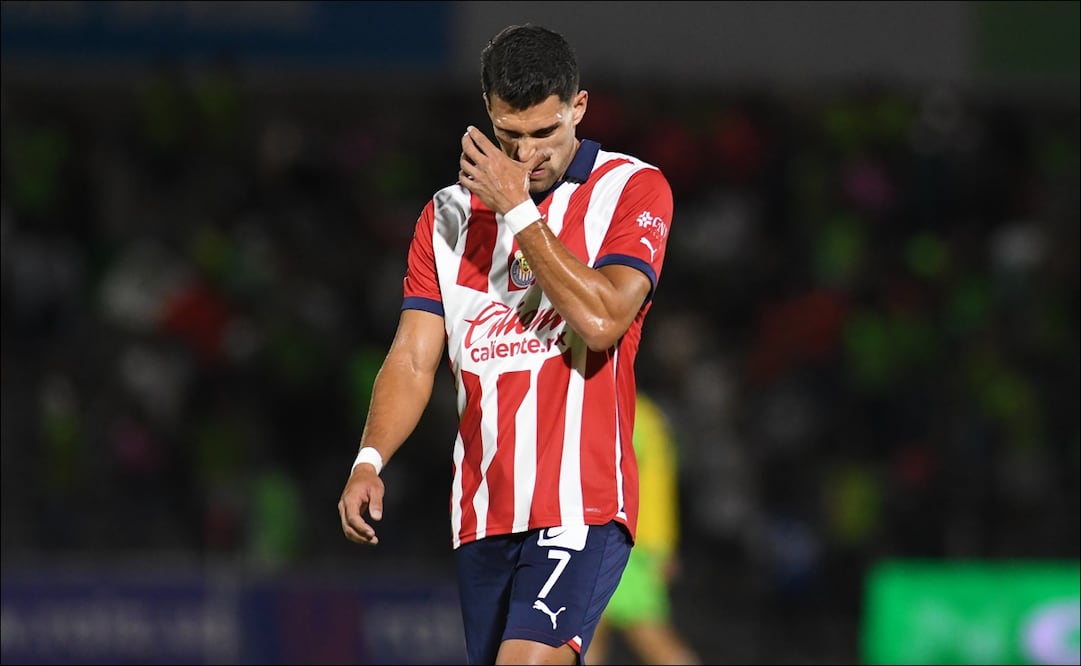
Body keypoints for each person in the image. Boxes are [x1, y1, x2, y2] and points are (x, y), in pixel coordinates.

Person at [338, 23, 674, 665]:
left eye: (545, 133)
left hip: (583, 503)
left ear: (578, 108)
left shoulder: (631, 189)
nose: (527, 156)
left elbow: (603, 321)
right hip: (483, 512)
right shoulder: (448, 216)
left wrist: (520, 212)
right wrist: (369, 459)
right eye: (509, 135)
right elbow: (413, 357)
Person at [588, 392, 701, 665]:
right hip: (629, 544)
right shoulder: (648, 413)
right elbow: (660, 483)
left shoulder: (618, 411)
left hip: (620, 546)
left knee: (651, 637)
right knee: (588, 636)